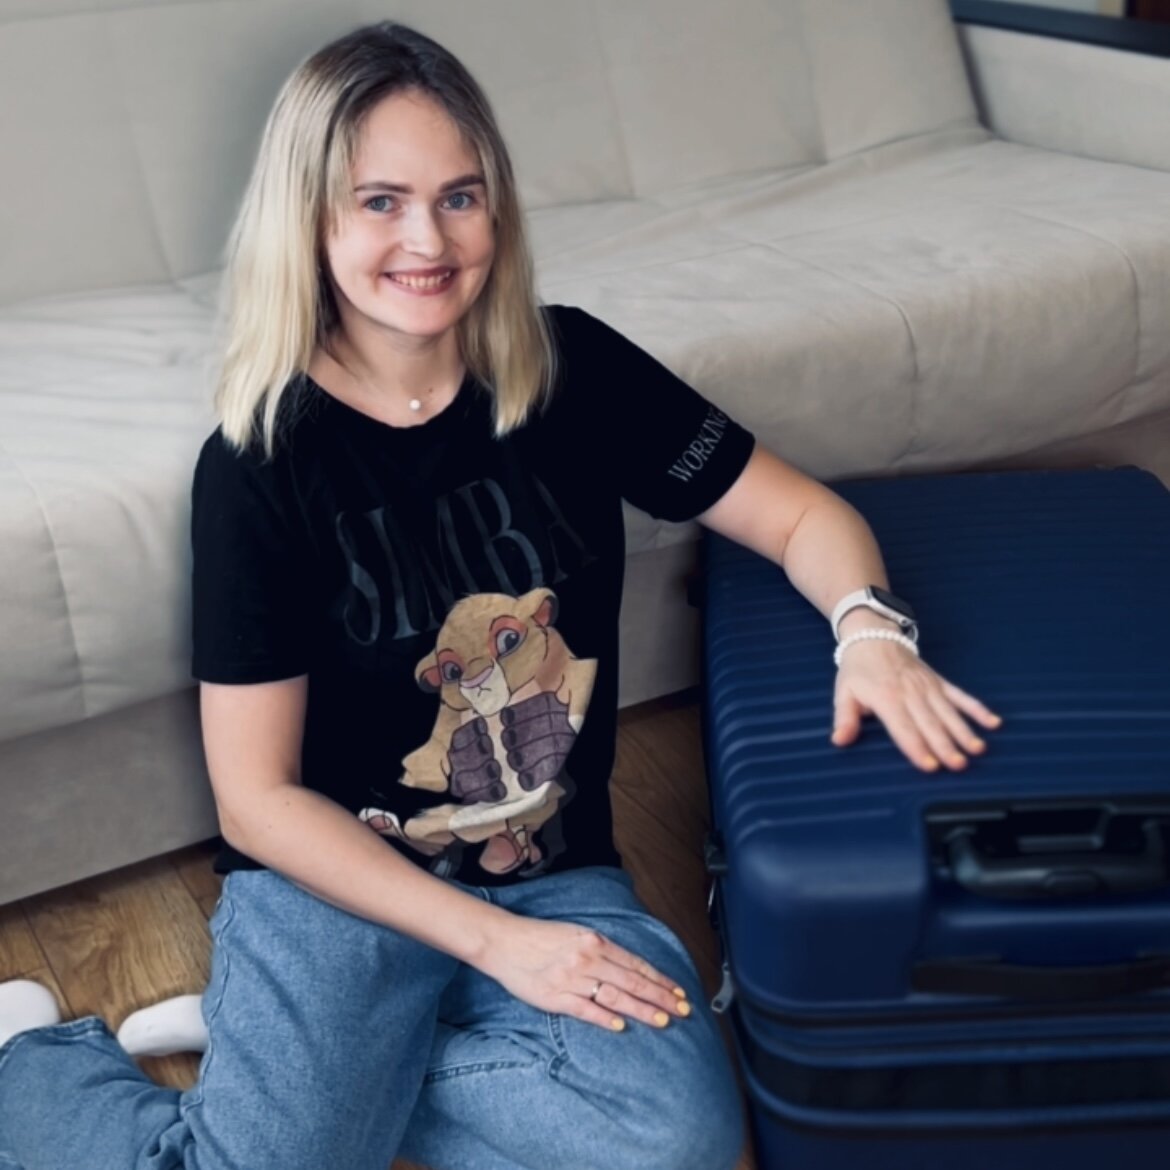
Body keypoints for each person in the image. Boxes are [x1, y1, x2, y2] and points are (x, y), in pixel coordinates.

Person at [0, 20, 1002, 1170]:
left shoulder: (572, 368)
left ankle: (301, 1079)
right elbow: (257, 802)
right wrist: (493, 947)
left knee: (674, 1144)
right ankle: (34, 1056)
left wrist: (869, 634)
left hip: (551, 870)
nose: (427, 240)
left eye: (459, 197)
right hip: (338, 887)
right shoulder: (259, 464)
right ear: (310, 219)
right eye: (380, 202)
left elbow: (801, 516)